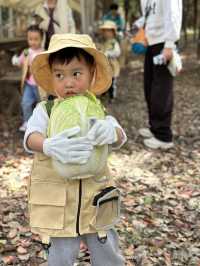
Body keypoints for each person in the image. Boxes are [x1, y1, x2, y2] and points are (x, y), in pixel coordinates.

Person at [23, 33, 127, 266]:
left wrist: (112, 131)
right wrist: (47, 144)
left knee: (106, 248)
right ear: (51, 77)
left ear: (92, 73)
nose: (68, 82)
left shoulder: (96, 108)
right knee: (60, 255)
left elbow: (119, 135)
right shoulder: (46, 110)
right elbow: (31, 137)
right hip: (59, 204)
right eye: (59, 75)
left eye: (76, 74)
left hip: (96, 199)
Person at [133, 0, 182, 149]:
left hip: (163, 43)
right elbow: (150, 16)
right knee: (150, 87)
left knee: (161, 90)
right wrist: (136, 26)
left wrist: (169, 44)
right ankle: (154, 127)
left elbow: (173, 14)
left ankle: (163, 136)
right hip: (151, 42)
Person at [12, 25, 43, 132]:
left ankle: (43, 124)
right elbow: (20, 61)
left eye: (36, 39)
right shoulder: (26, 52)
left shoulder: (43, 53)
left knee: (42, 104)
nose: (33, 42)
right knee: (26, 102)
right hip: (29, 83)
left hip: (41, 85)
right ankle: (27, 122)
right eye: (30, 39)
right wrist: (16, 61)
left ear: (41, 39)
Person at [99, 20, 121, 102]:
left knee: (112, 81)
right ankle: (103, 93)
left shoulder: (114, 43)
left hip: (112, 65)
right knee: (104, 79)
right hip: (105, 65)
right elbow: (102, 50)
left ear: (113, 32)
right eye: (105, 31)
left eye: (108, 31)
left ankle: (112, 96)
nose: (106, 33)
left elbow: (118, 52)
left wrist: (109, 53)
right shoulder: (104, 42)